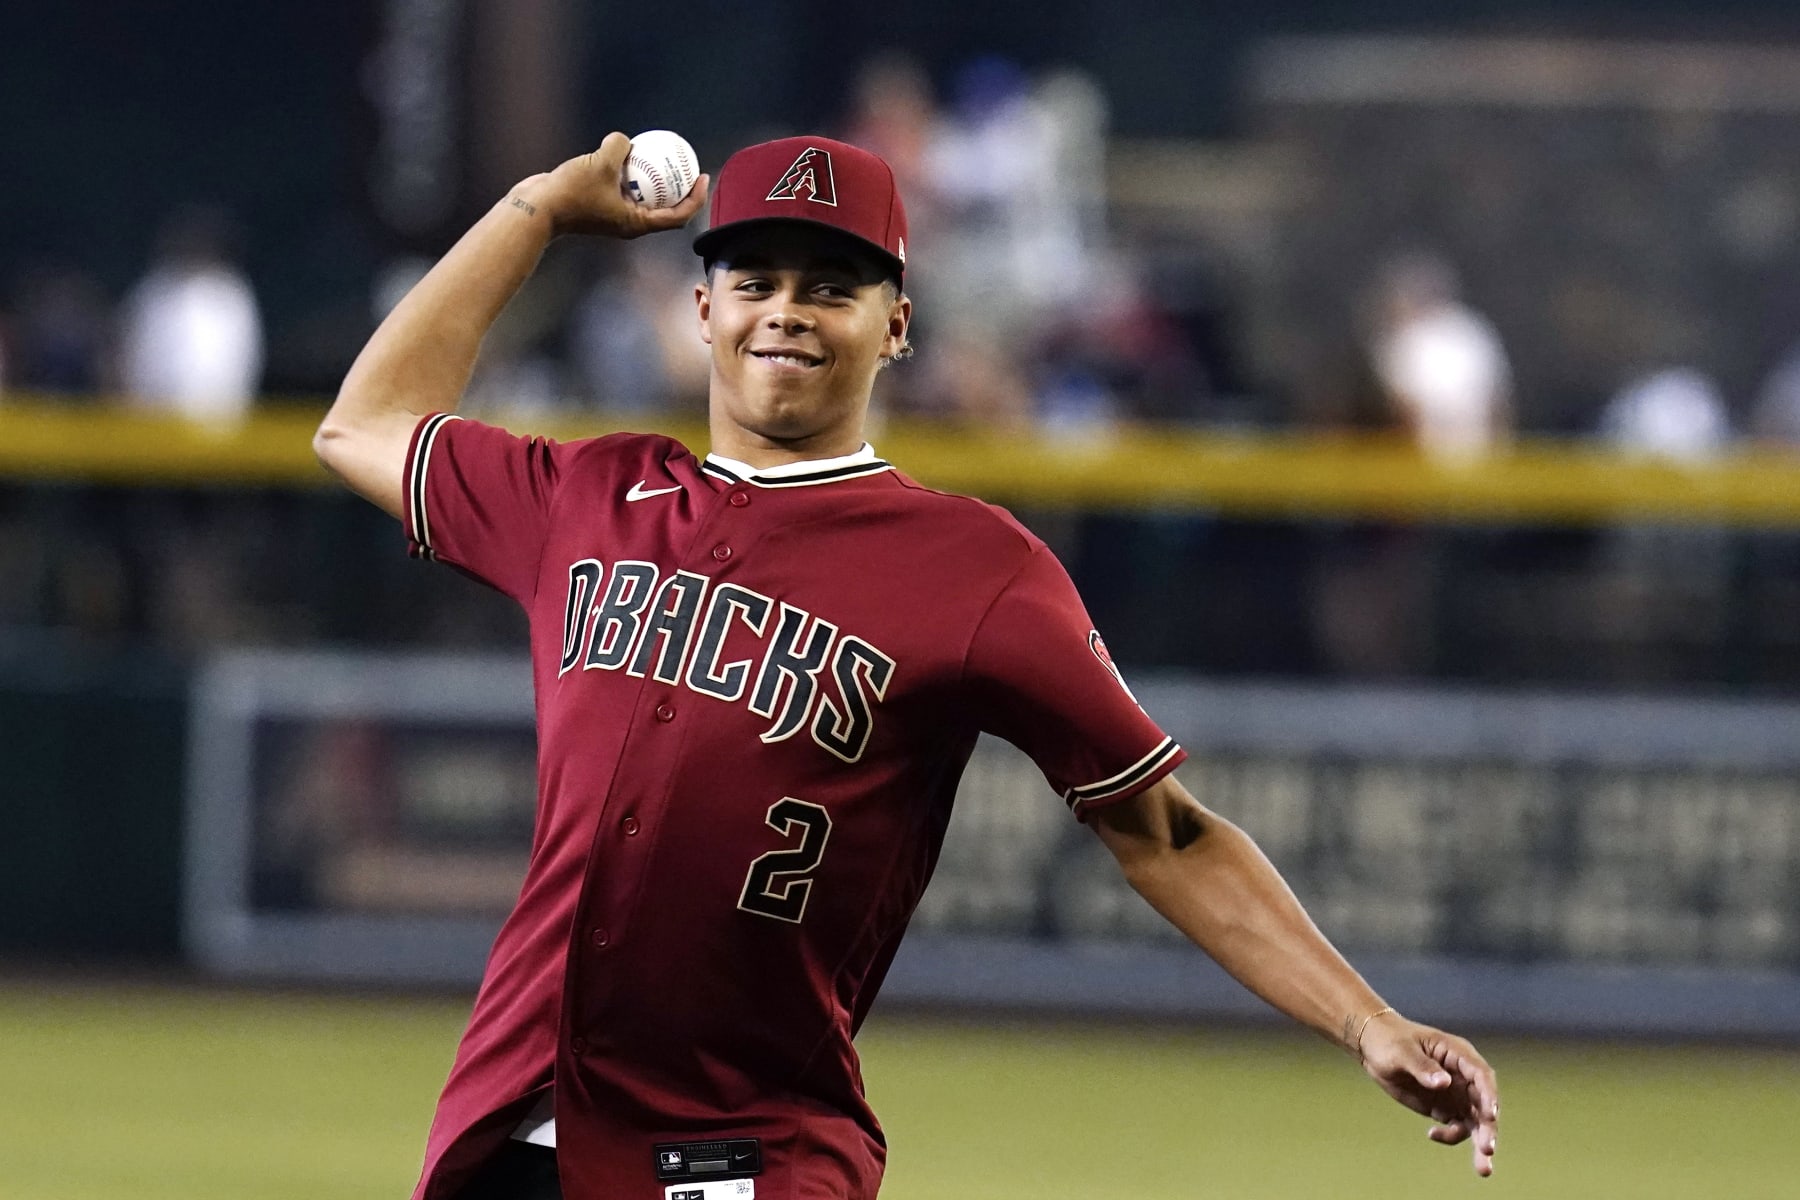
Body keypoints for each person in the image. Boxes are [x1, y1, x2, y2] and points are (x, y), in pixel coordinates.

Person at [314, 132, 1499, 1200]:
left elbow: (1165, 832)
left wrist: (1364, 1021)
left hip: (746, 1154)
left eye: (831, 287)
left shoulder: (974, 567)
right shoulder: (591, 497)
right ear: (704, 306)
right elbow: (359, 427)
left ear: (896, 324)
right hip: (512, 1130)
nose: (786, 311)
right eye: (756, 282)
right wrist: (534, 208)